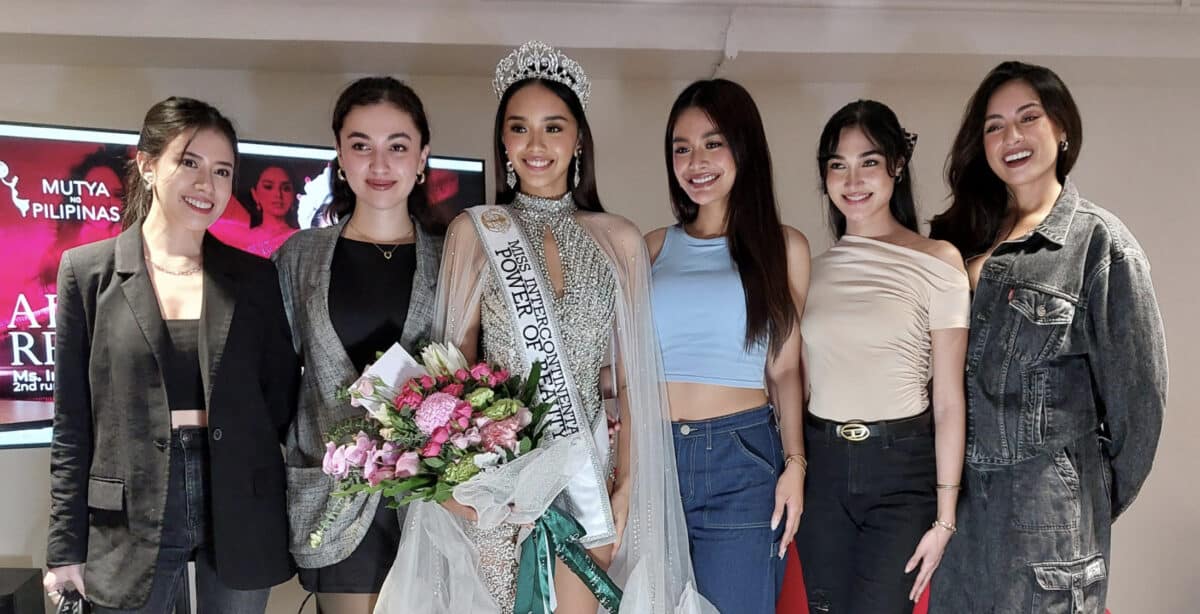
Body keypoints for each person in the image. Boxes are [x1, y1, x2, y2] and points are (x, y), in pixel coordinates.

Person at [376, 41, 712, 614]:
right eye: (520, 128)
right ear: (504, 142)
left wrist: (628, 487)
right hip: (503, 485)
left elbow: (632, 383)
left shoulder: (620, 240)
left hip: (592, 481)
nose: (537, 145)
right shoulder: (475, 231)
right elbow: (448, 375)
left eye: (553, 128)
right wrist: (462, 483)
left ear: (578, 138)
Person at [43, 96, 299, 613]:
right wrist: (65, 547)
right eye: (190, 162)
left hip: (237, 501)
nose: (208, 185)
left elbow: (279, 401)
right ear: (146, 165)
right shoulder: (86, 273)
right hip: (129, 508)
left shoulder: (254, 279)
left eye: (223, 171)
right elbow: (73, 424)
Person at [928, 61, 1167, 613]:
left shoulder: (1099, 245)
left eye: (1027, 117)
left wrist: (1079, 498)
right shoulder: (962, 240)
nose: (1010, 137)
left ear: (1062, 130)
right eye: (993, 126)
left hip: (1048, 533)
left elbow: (1140, 406)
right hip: (961, 523)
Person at [272, 77, 441, 614]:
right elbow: (270, 385)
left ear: (422, 158)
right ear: (340, 159)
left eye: (397, 146)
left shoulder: (457, 256)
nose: (380, 164)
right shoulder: (300, 257)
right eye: (360, 145)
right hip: (335, 499)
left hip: (436, 498)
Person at [796, 99, 969, 614]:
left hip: (902, 473)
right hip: (823, 467)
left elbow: (948, 400)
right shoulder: (811, 269)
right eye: (837, 164)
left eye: (868, 161)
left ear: (896, 164)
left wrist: (944, 518)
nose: (852, 179)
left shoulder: (938, 262)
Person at [645, 78, 808, 614]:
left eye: (713, 143)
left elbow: (785, 370)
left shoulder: (784, 248)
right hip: (654, 456)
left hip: (742, 461)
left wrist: (795, 464)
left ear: (745, 147)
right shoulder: (651, 246)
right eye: (681, 148)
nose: (696, 161)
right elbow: (626, 363)